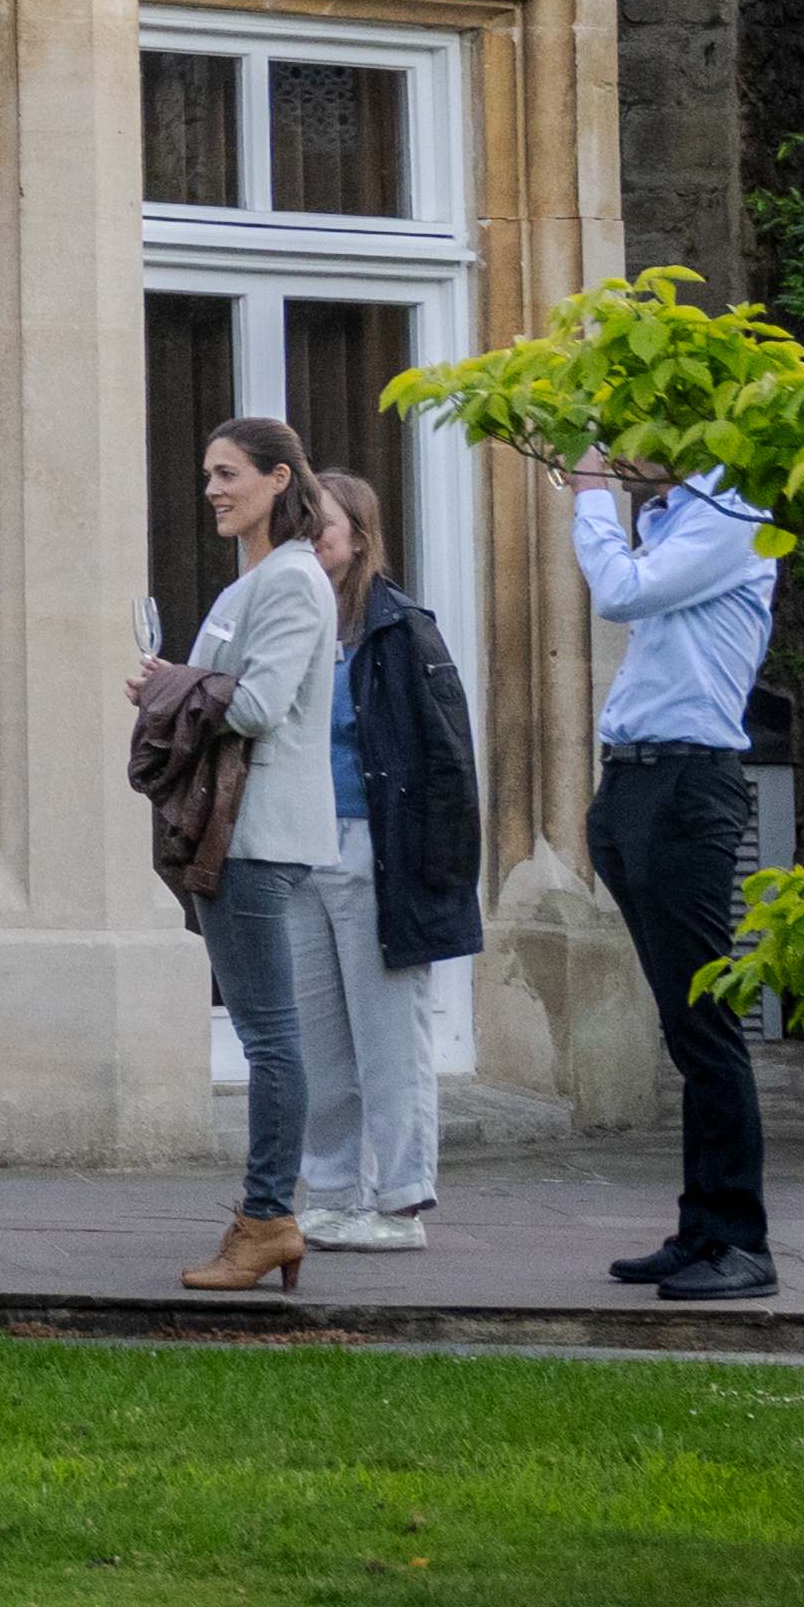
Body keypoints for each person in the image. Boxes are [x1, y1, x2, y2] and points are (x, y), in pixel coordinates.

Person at [573, 457, 782, 1301]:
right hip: (635, 781)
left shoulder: (733, 514)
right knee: (682, 1020)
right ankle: (701, 1230)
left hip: (690, 783)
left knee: (705, 1022)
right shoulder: (672, 519)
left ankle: (741, 1241)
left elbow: (621, 592)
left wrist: (590, 495)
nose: (620, 449)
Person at [171, 410, 354, 1297]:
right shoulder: (256, 582)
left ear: (281, 480)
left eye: (229, 473)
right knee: (270, 1036)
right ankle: (266, 1219)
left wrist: (171, 687)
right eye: (208, 475)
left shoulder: (288, 582)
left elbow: (255, 707)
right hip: (237, 832)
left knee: (272, 1041)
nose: (212, 489)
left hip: (257, 833)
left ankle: (269, 1219)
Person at [300, 465, 477, 1255]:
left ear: (359, 536)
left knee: (389, 1040)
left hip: (378, 853)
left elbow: (448, 759)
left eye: (322, 525)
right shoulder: (290, 619)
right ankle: (334, 1193)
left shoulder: (401, 627)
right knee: (319, 1043)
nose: (308, 537)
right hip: (298, 852)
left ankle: (401, 1204)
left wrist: (438, 878)